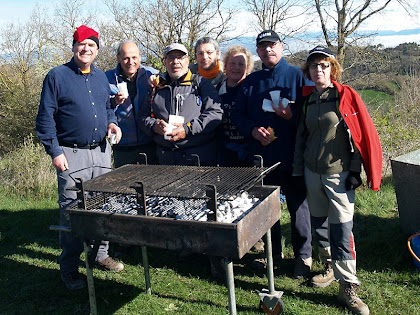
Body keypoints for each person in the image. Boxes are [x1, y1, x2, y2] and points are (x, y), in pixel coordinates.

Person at [293, 46, 382, 315]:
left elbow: (358, 133)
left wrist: (356, 169)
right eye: (313, 66)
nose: (318, 70)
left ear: (333, 68)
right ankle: (329, 266)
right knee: (320, 224)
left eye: (324, 65)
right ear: (307, 71)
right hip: (312, 172)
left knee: (342, 229)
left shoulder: (345, 96)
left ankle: (349, 287)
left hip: (338, 173)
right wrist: (298, 172)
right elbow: (301, 138)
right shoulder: (307, 98)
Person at [36, 25, 124, 291]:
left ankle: (100, 255)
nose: (86, 49)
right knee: (72, 213)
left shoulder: (100, 78)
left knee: (103, 206)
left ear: (97, 50)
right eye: (81, 44)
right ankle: (70, 269)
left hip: (101, 151)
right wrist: (55, 152)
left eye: (91, 45)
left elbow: (107, 108)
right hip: (70, 154)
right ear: (73, 47)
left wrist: (112, 124)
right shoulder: (57, 76)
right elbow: (44, 119)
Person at [231, 30, 313, 278]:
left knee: (299, 208)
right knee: (268, 209)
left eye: (272, 45)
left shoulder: (298, 76)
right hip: (262, 158)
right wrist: (253, 130)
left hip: (293, 154)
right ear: (257, 52)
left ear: (282, 47)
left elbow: (312, 114)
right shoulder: (251, 82)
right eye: (263, 47)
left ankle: (303, 257)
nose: (268, 50)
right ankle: (272, 255)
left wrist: (292, 117)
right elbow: (236, 114)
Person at [140, 43, 223, 166]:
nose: (175, 62)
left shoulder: (200, 84)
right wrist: (154, 126)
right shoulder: (157, 86)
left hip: (198, 158)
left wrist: (187, 129)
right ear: (165, 62)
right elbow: (142, 117)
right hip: (165, 159)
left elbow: (215, 114)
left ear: (188, 61)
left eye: (180, 57)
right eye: (171, 58)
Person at [105, 41, 159, 167]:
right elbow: (101, 108)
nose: (131, 62)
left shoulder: (151, 74)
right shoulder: (107, 79)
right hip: (123, 148)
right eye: (126, 58)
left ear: (140, 56)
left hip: (150, 145)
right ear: (118, 58)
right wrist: (114, 102)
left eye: (134, 57)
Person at [217, 45, 254, 167]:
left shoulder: (253, 90)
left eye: (241, 64)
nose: (236, 68)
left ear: (247, 67)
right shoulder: (216, 90)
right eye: (232, 63)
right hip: (223, 151)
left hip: (249, 152)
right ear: (225, 66)